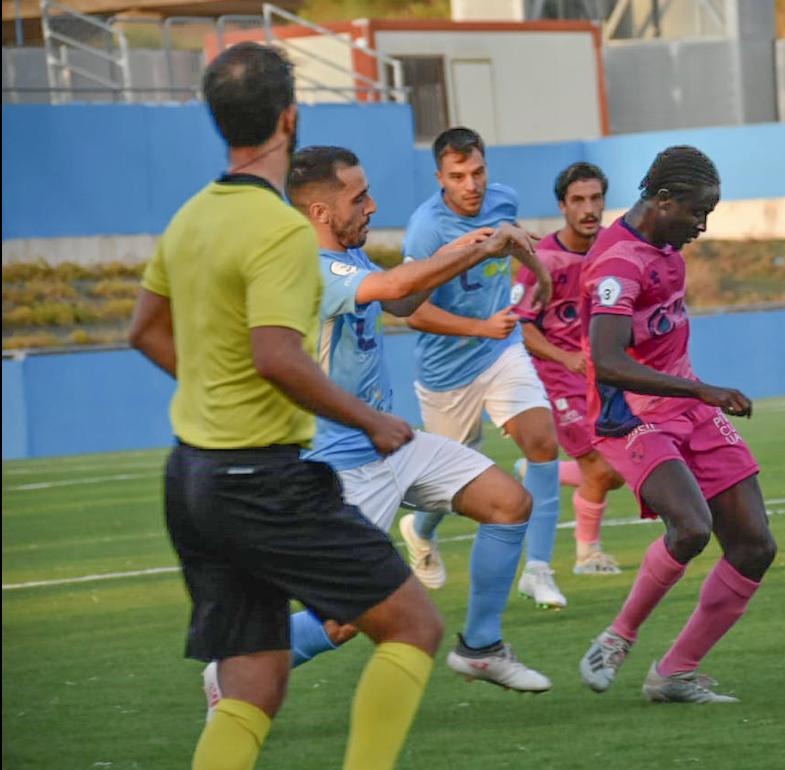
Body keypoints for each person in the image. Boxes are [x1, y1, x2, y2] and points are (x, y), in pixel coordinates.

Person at [127, 43, 432, 770]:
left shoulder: (191, 218)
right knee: (413, 625)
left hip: (192, 478)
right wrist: (370, 418)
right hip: (260, 479)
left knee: (255, 681)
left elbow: (144, 330)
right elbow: (276, 355)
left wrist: (212, 390)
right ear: (289, 118)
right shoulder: (284, 230)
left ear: (218, 120)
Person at [218, 145, 549, 692]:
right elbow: (396, 289)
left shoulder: (347, 258)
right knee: (344, 620)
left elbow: (397, 301)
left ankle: (481, 648)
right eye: (359, 197)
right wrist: (487, 245)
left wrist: (466, 246)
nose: (372, 206)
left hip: (391, 445)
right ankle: (229, 669)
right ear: (321, 212)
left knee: (508, 503)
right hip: (342, 467)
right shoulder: (309, 266)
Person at [576, 146, 777, 703]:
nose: (702, 225)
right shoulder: (618, 263)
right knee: (690, 528)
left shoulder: (666, 249)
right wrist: (701, 389)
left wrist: (695, 396)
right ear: (663, 200)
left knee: (755, 546)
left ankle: (674, 673)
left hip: (689, 410)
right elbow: (608, 361)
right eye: (697, 212)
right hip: (631, 417)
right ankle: (617, 638)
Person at [399, 127, 568, 609]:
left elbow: (511, 240)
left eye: (477, 172)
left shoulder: (503, 200)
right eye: (458, 176)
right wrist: (479, 328)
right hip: (447, 373)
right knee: (448, 485)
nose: (471, 185)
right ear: (440, 178)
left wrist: (541, 275)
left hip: (500, 350)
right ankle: (418, 529)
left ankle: (538, 570)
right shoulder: (426, 229)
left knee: (542, 441)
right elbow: (410, 312)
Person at [514, 162, 626, 575]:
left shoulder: (614, 251)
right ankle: (587, 554)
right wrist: (565, 358)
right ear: (562, 206)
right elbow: (520, 325)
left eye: (596, 198)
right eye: (578, 200)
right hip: (558, 378)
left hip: (605, 378)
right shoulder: (543, 259)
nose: (589, 209)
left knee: (623, 469)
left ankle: (542, 471)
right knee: (600, 467)